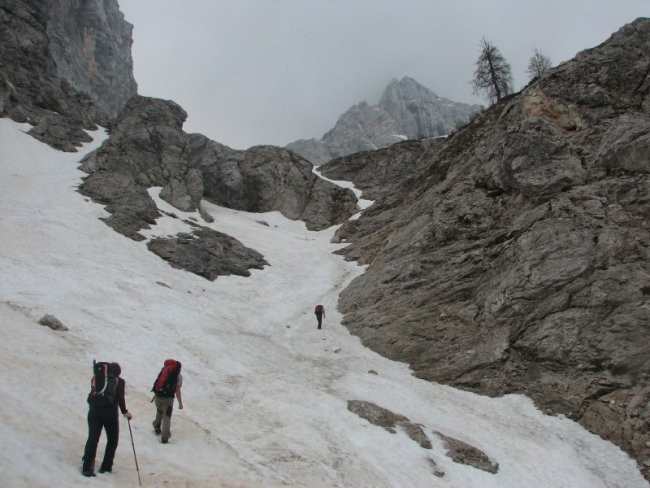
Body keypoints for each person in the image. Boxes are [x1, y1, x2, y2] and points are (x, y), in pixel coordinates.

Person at [82, 362, 132, 477]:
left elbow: (93, 391)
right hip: (110, 413)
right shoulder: (120, 381)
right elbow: (120, 398)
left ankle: (87, 468)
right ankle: (106, 467)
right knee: (112, 439)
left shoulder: (97, 377)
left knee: (93, 438)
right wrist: (125, 412)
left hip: (94, 411)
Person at [152, 360, 184, 444]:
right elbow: (177, 390)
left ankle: (156, 427)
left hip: (158, 395)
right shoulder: (178, 376)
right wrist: (180, 403)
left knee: (159, 411)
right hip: (168, 399)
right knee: (167, 416)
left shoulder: (164, 370)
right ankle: (165, 438)